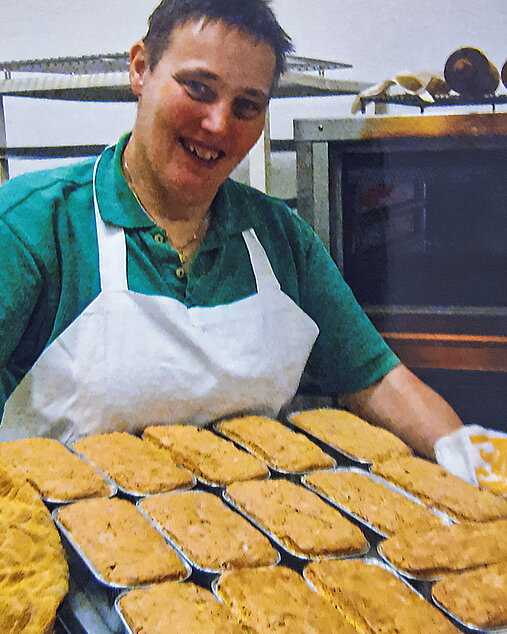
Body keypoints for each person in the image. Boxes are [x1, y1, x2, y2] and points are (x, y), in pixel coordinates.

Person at [0, 0, 483, 482]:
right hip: (56, 544)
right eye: (197, 88)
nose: (218, 125)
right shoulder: (33, 227)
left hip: (262, 542)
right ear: (141, 69)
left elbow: (377, 381)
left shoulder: (280, 239)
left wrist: (472, 464)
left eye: (247, 106)